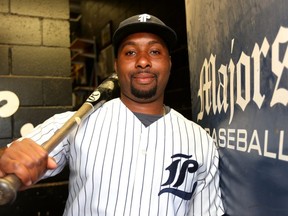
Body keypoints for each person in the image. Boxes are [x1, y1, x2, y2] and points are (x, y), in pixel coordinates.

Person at [0, 13, 225, 215]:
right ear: (116, 66)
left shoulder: (200, 141)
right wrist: (7, 160)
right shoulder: (75, 123)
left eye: (155, 51)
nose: (143, 61)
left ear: (169, 62)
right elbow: (9, 165)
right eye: (131, 52)